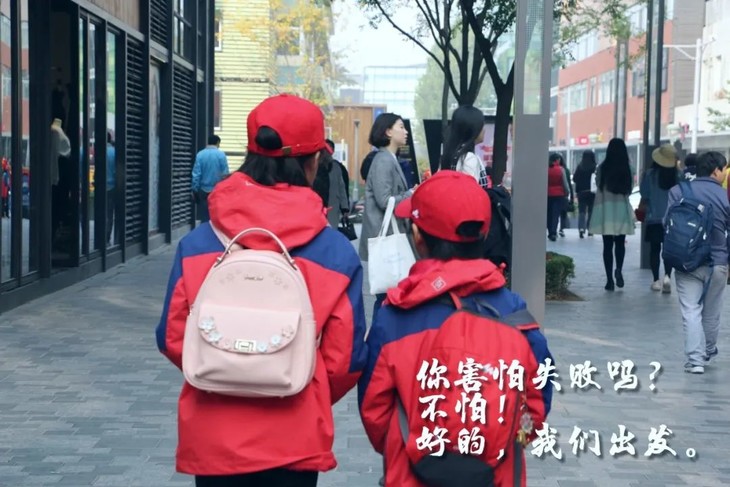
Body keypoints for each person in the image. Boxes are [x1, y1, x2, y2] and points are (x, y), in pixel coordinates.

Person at [156, 94, 367, 486]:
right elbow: (346, 361)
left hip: (213, 437)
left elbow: (172, 337)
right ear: (313, 162)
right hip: (295, 438)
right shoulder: (335, 253)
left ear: (250, 154)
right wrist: (294, 381)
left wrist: (226, 369)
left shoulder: (198, 243)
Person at [359, 170, 552, 487]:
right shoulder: (515, 314)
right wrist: (511, 441)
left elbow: (374, 411)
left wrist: (404, 447)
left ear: (418, 237)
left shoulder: (393, 318)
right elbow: (537, 404)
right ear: (484, 233)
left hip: (410, 476)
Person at [668, 151, 730, 374]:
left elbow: (668, 223)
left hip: (686, 261)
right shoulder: (724, 196)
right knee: (711, 311)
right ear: (716, 171)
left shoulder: (678, 191)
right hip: (717, 262)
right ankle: (708, 350)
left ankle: (695, 361)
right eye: (724, 170)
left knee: (690, 310)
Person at [358, 113, 416, 319]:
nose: (405, 131)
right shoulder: (384, 160)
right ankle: (380, 333)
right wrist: (411, 194)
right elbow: (385, 200)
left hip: (388, 236)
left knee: (388, 294)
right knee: (387, 296)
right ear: (388, 132)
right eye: (401, 127)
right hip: (386, 237)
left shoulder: (388, 158)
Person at [589, 138, 636, 291]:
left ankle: (609, 280)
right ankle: (619, 270)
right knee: (620, 243)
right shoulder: (628, 168)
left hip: (606, 210)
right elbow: (630, 189)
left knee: (607, 245)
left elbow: (598, 184)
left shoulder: (602, 168)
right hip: (621, 209)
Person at [639, 144, 681, 293]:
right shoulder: (678, 176)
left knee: (654, 249)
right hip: (673, 219)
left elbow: (644, 194)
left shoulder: (650, 175)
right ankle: (667, 277)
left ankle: (656, 280)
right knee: (668, 250)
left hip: (654, 217)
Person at [441, 105, 490, 189]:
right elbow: (470, 191)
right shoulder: (469, 158)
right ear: (473, 129)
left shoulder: (451, 154)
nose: (484, 130)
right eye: (482, 126)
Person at [191, 135, 229, 222]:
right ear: (217, 143)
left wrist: (194, 189)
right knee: (215, 215)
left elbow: (196, 174)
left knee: (204, 216)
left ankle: (204, 228)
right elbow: (225, 174)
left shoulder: (200, 155)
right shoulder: (221, 155)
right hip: (217, 190)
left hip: (202, 190)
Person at [573, 150, 597, 238]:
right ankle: (590, 229)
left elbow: (575, 179)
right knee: (591, 211)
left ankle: (581, 229)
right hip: (592, 191)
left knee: (582, 211)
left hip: (581, 192)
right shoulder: (595, 166)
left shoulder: (580, 167)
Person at [546, 153, 569, 241]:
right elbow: (564, 183)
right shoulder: (561, 169)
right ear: (556, 160)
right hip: (559, 195)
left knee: (549, 214)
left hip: (548, 194)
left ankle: (550, 232)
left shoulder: (546, 169)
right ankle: (553, 232)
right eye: (559, 159)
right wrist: (566, 192)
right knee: (555, 214)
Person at [558, 156, 575, 237]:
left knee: (555, 212)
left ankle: (554, 229)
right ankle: (561, 228)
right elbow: (568, 183)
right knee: (563, 212)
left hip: (553, 194)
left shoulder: (549, 169)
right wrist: (571, 195)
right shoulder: (566, 170)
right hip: (563, 193)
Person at [106, 131, 116, 245]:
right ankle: (107, 238)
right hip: (112, 187)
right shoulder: (114, 152)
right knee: (109, 214)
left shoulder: (99, 152)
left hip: (100, 187)